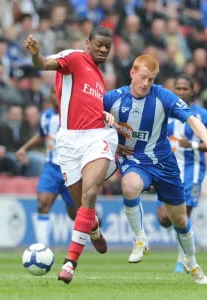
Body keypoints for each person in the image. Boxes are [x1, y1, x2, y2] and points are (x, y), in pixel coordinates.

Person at [23, 26, 118, 284]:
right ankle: (93, 228)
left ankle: (69, 264)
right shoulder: (75, 57)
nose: (103, 49)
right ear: (88, 43)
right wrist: (36, 53)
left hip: (98, 137)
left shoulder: (100, 78)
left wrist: (108, 116)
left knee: (90, 193)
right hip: (67, 142)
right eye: (99, 44)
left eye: (107, 47)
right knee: (81, 208)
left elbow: (95, 108)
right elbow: (43, 63)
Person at [103, 55, 207, 285]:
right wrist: (110, 138)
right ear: (132, 73)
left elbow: (192, 120)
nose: (146, 83)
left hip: (164, 163)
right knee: (129, 186)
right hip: (134, 160)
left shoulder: (163, 96)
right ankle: (140, 240)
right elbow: (91, 122)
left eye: (150, 79)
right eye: (142, 78)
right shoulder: (113, 99)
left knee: (179, 220)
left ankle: (191, 262)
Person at [156, 74, 207, 273]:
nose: (182, 92)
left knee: (183, 216)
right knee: (163, 219)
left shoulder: (202, 115)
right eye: (178, 88)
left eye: (185, 88)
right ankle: (185, 252)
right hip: (167, 171)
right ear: (173, 90)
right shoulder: (165, 113)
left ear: (193, 91)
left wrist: (193, 144)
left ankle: (182, 260)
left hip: (192, 171)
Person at [16, 87, 76, 246]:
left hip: (71, 168)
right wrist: (25, 147)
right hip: (51, 167)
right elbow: (42, 135)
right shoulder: (46, 116)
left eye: (60, 93)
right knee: (42, 204)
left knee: (75, 215)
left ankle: (93, 219)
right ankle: (42, 248)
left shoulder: (74, 114)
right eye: (53, 93)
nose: (56, 96)